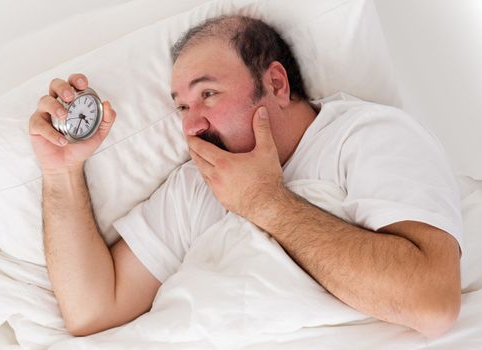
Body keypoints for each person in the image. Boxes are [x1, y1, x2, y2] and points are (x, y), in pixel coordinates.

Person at [28, 15, 463, 338]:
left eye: (209, 94)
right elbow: (94, 309)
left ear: (275, 84)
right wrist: (60, 171)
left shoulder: (367, 136)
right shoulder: (198, 185)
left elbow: (433, 303)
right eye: (182, 107)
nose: (192, 125)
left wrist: (266, 204)